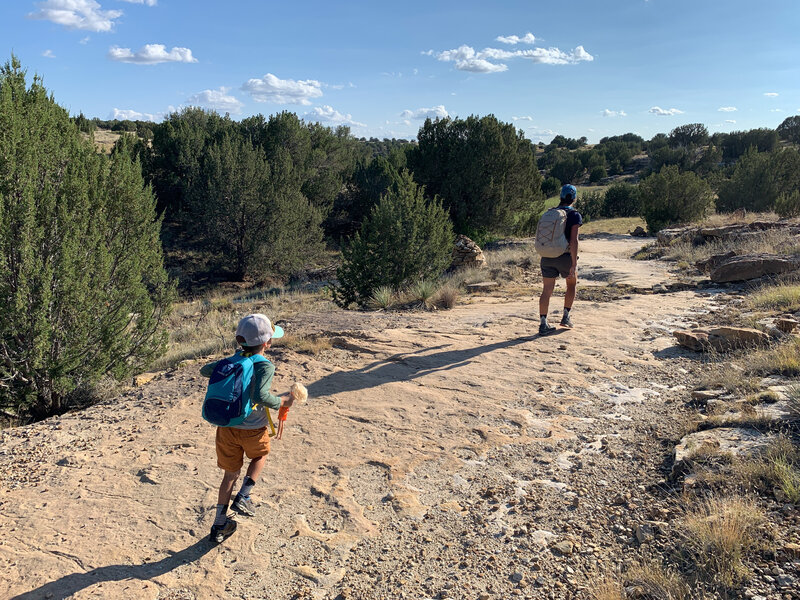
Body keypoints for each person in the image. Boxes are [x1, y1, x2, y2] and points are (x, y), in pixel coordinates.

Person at [200, 313, 293, 543]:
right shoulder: (265, 365)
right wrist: (281, 402)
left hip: (226, 427)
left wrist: (229, 362)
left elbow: (205, 371)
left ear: (240, 339)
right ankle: (244, 495)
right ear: (266, 343)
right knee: (260, 455)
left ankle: (219, 523)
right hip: (253, 427)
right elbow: (261, 396)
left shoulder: (234, 359)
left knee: (229, 474)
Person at [538, 184, 583, 336]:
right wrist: (574, 264)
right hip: (564, 257)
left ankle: (543, 324)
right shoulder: (574, 215)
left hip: (547, 257)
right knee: (571, 285)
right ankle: (565, 317)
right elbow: (574, 240)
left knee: (547, 290)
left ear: (561, 197)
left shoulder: (551, 213)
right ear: (574, 198)